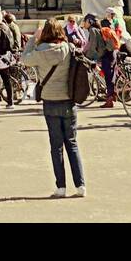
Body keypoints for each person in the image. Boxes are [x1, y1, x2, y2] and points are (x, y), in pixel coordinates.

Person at [22, 17, 86, 198]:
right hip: (68, 100)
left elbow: (23, 59)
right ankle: (80, 185)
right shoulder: (67, 48)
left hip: (50, 101)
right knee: (72, 143)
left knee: (56, 146)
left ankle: (61, 187)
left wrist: (33, 39)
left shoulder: (40, 51)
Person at [96, 17, 119, 109]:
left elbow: (102, 46)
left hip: (107, 57)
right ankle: (113, 95)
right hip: (113, 55)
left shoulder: (103, 31)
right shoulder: (110, 30)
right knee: (112, 76)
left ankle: (109, 100)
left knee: (108, 79)